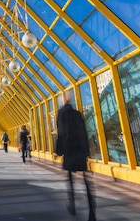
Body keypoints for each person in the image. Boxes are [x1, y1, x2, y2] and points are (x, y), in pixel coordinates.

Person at [56, 91, 95, 220]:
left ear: (63, 101)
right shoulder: (77, 114)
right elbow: (84, 133)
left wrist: (58, 151)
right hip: (79, 149)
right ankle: (92, 212)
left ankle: (72, 204)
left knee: (70, 177)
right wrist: (86, 151)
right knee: (85, 179)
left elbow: (60, 133)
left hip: (69, 149)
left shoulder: (61, 114)